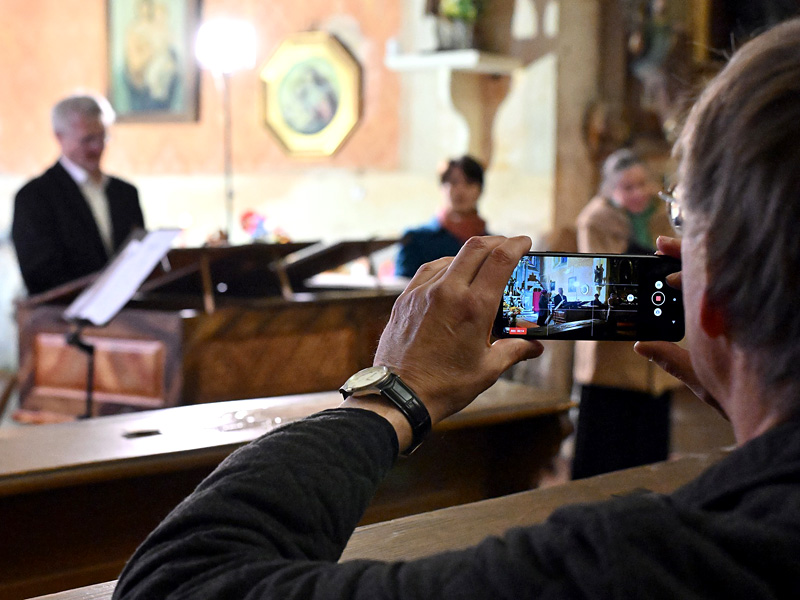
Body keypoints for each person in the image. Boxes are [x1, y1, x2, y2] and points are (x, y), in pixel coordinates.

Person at [113, 19, 800, 598]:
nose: (672, 239)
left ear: (724, 298)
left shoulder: (642, 566)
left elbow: (178, 583)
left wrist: (391, 395)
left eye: (683, 214)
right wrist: (760, 402)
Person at [570, 147, 678, 479]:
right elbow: (606, 279)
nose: (637, 193)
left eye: (642, 184)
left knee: (648, 458)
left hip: (657, 347)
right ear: (610, 189)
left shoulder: (666, 215)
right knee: (604, 456)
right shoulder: (595, 218)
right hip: (612, 353)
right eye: (627, 187)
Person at [12, 93, 145, 295]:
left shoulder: (125, 193)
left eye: (102, 136)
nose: (97, 147)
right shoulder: (34, 197)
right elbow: (39, 275)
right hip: (62, 317)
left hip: (129, 311)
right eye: (87, 139)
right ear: (59, 137)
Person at [395, 155, 488, 278]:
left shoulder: (491, 244)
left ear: (480, 190)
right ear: (442, 187)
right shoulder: (415, 239)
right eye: (453, 182)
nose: (460, 190)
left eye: (469, 183)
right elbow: (402, 290)